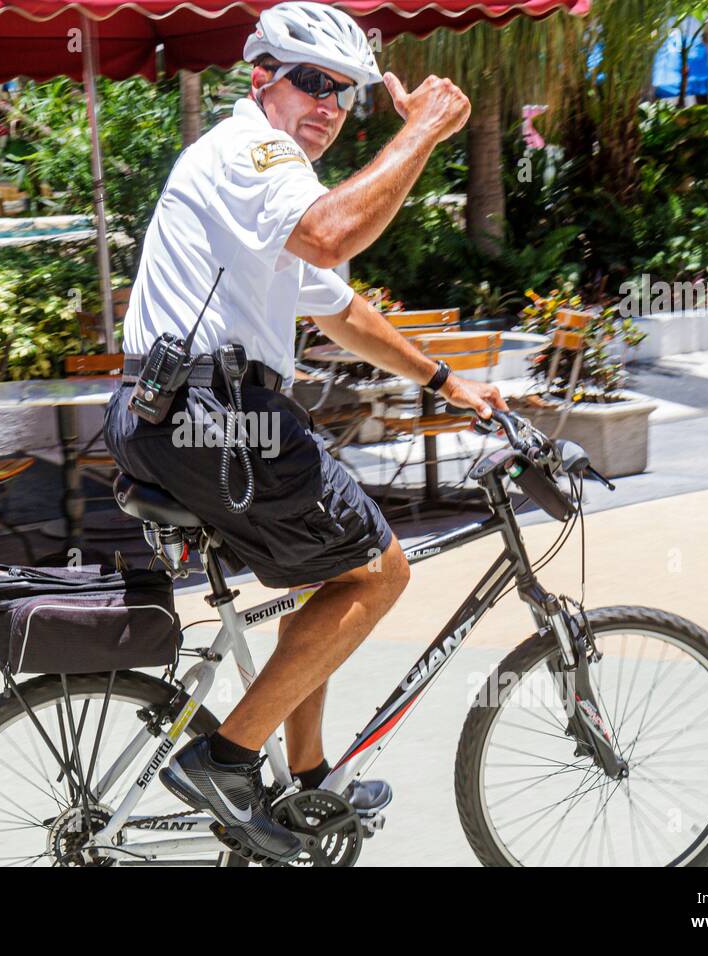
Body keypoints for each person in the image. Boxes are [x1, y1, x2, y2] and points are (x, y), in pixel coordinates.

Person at [102, 2, 507, 862]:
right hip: (214, 415)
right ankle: (226, 757)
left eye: (346, 92)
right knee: (377, 572)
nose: (329, 104)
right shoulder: (257, 155)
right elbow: (332, 238)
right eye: (312, 83)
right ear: (263, 82)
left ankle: (309, 779)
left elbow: (344, 313)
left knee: (329, 577)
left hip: (181, 414)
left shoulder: (274, 185)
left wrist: (445, 380)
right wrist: (426, 129)